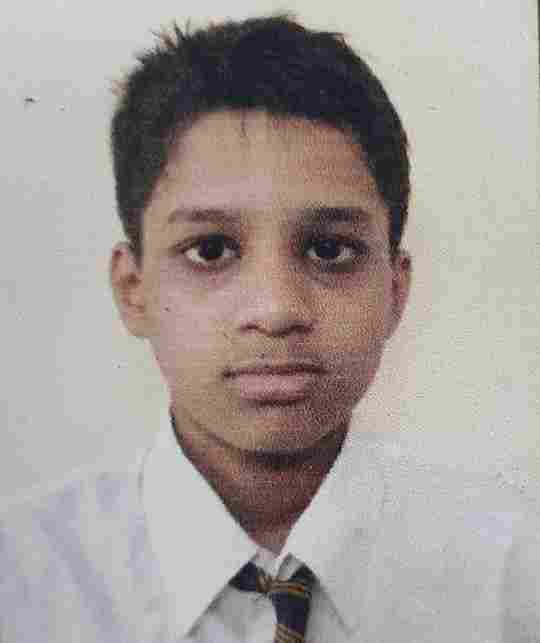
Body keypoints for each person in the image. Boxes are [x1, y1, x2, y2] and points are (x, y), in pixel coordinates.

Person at [1, 14, 539, 643]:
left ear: (395, 290)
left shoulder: (514, 576)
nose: (277, 308)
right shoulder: (21, 586)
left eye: (330, 250)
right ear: (133, 289)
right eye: (210, 250)